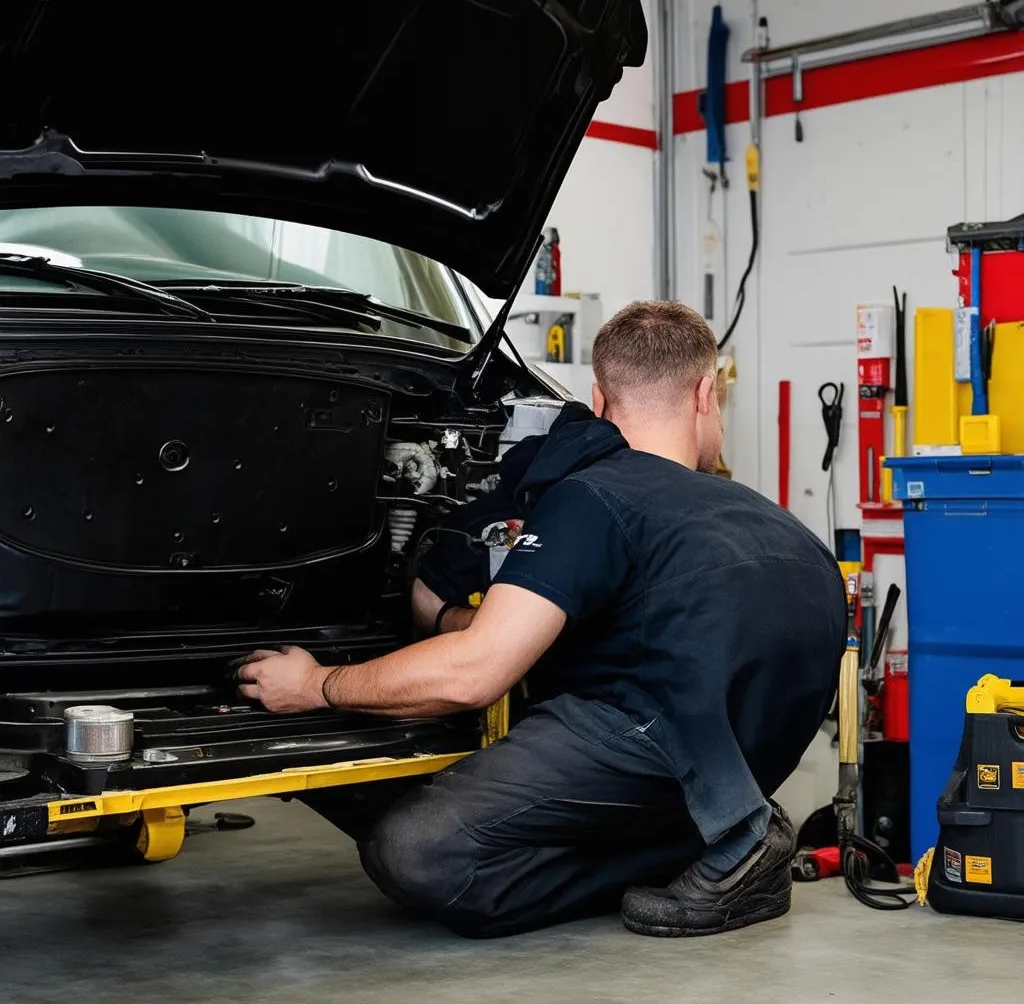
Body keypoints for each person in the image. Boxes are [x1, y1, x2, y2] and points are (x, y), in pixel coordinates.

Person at [236, 300, 847, 939]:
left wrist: (316, 685)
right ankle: (734, 833)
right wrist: (453, 619)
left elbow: (472, 676)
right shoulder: (769, 519)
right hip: (741, 751)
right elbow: (626, 628)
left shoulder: (591, 495)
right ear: (704, 393)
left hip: (643, 737)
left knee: (418, 850)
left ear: (599, 398)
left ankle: (731, 850)